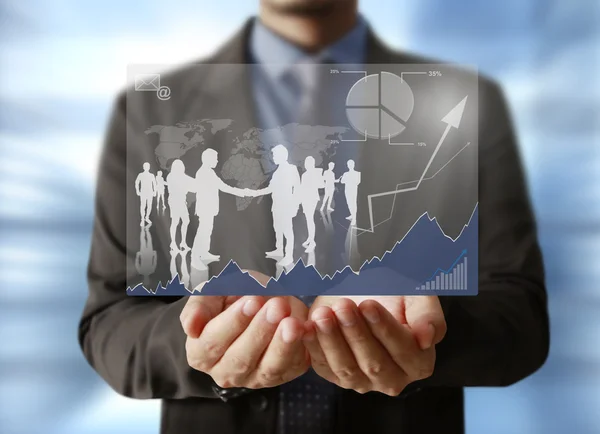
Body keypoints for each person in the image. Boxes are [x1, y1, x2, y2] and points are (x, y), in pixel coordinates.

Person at [80, 1, 550, 434]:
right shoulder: (150, 108)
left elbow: (521, 318)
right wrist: (193, 342)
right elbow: (109, 323)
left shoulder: (465, 103)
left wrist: (428, 333)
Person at [192, 148, 252, 263]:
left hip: (208, 208)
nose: (217, 161)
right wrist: (242, 192)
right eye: (215, 158)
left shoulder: (208, 172)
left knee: (207, 230)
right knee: (203, 231)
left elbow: (222, 186)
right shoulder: (205, 172)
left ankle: (204, 253)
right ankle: (195, 258)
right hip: (205, 208)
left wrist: (241, 192)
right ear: (208, 159)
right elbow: (223, 187)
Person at [248, 144, 301, 265]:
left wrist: (295, 207)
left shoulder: (291, 169)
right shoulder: (277, 172)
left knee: (287, 231)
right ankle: (279, 249)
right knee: (278, 229)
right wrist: (254, 193)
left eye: (275, 155)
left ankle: (289, 256)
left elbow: (298, 189)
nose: (273, 157)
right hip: (277, 206)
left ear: (282, 155)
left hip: (286, 206)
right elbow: (270, 189)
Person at [166, 159, 194, 251]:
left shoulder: (181, 176)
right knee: (175, 222)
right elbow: (179, 187)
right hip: (174, 201)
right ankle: (173, 243)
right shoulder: (171, 176)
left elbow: (190, 181)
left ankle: (183, 242)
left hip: (181, 201)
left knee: (186, 221)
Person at [299, 156, 323, 252]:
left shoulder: (316, 173)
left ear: (312, 164)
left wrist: (319, 177)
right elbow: (302, 187)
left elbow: (321, 185)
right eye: (306, 162)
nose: (306, 164)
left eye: (308, 162)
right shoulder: (304, 175)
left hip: (312, 198)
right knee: (308, 219)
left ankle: (312, 242)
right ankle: (310, 238)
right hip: (305, 198)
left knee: (310, 218)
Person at [134, 162, 156, 226]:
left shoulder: (151, 175)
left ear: (149, 167)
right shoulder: (140, 175)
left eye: (148, 166)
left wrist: (155, 191)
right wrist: (137, 190)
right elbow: (136, 182)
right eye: (145, 166)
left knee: (149, 206)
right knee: (143, 206)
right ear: (143, 167)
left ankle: (147, 217)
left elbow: (154, 183)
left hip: (150, 192)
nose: (147, 167)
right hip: (143, 192)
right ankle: (142, 219)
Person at [340, 159, 361, 225]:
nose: (350, 165)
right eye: (349, 164)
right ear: (347, 165)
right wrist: (348, 179)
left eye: (351, 164)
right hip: (347, 190)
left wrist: (348, 180)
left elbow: (358, 182)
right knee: (349, 203)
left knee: (353, 204)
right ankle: (352, 215)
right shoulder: (345, 173)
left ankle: (354, 218)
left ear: (353, 165)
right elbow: (342, 181)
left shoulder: (357, 173)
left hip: (353, 190)